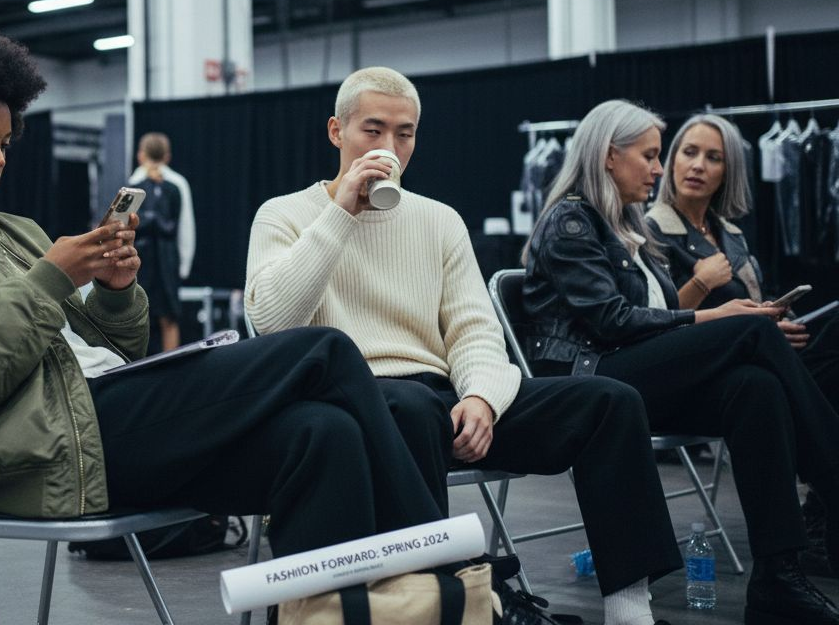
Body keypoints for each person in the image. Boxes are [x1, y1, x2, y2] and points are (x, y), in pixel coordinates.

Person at [0, 19, 446, 612]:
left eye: (4, 142)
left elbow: (118, 348)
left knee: (323, 434)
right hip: (45, 448)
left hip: (110, 414)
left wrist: (113, 291)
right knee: (325, 349)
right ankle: (444, 570)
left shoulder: (15, 231)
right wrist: (50, 279)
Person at [246, 67, 681, 625]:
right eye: (372, 131)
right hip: (357, 402)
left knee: (609, 401)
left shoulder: (439, 220)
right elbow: (274, 325)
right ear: (336, 132)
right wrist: (341, 214)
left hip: (447, 398)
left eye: (404, 134)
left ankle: (628, 608)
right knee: (413, 407)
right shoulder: (284, 215)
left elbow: (476, 331)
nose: (389, 147)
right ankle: (452, 598)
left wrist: (480, 399)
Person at [522, 99, 839, 625]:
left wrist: (720, 321)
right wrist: (715, 321)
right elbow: (613, 322)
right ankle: (832, 471)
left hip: (635, 371)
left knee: (754, 387)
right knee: (751, 331)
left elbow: (656, 314)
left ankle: (777, 580)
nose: (658, 168)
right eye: (649, 156)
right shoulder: (572, 222)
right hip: (590, 378)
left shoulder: (627, 225)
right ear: (607, 156)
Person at [646, 113, 839, 572]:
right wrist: (699, 281)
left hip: (755, 350)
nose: (698, 165)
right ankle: (826, 492)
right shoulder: (652, 228)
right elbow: (652, 320)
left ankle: (820, 509)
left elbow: (748, 307)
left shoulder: (730, 234)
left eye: (713, 158)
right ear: (670, 162)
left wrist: (774, 315)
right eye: (688, 152)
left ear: (727, 172)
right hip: (702, 368)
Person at [129, 133, 184, 350]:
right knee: (141, 316)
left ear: (141, 156)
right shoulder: (133, 186)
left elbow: (177, 225)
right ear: (167, 156)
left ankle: (171, 372)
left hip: (164, 260)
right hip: (144, 260)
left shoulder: (174, 187)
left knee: (168, 316)